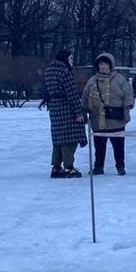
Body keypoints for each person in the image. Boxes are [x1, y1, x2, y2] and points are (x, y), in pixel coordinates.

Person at [84, 52, 134, 175]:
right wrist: (83, 112)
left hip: (116, 119)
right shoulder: (92, 81)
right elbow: (85, 97)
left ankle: (120, 166)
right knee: (99, 146)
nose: (103, 66)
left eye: (105, 63)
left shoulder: (119, 79)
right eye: (100, 63)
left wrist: (126, 110)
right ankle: (98, 166)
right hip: (98, 120)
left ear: (111, 65)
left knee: (118, 146)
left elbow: (128, 95)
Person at [44, 50, 86, 178]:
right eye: (71, 58)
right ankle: (69, 167)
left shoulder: (48, 71)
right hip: (66, 108)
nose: (72, 61)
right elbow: (72, 93)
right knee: (69, 139)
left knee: (58, 139)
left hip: (54, 108)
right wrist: (78, 113)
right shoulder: (64, 72)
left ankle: (56, 167)